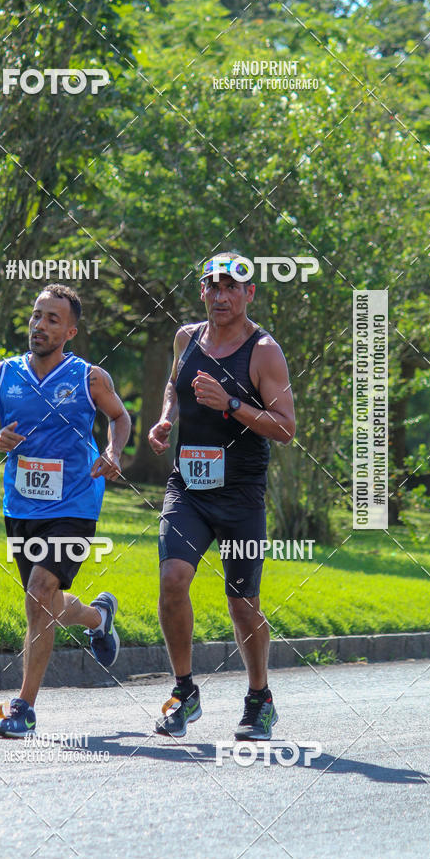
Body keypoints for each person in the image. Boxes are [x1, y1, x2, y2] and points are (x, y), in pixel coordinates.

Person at [148, 252, 295, 740]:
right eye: (214, 286)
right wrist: (166, 418)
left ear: (249, 293)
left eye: (232, 287)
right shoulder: (185, 338)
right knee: (172, 578)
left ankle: (260, 699)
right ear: (203, 292)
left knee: (242, 602)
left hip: (241, 495)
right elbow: (174, 385)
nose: (222, 295)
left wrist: (231, 404)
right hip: (188, 487)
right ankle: (185, 692)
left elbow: (286, 428)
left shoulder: (264, 351)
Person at [0, 284, 131, 737]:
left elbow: (119, 418)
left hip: (75, 502)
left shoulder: (90, 378)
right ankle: (98, 617)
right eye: (36, 316)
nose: (39, 325)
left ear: (70, 331)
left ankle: (23, 706)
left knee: (39, 591)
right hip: (21, 504)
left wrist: (114, 453)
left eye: (52, 319)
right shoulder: (2, 374)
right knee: (40, 601)